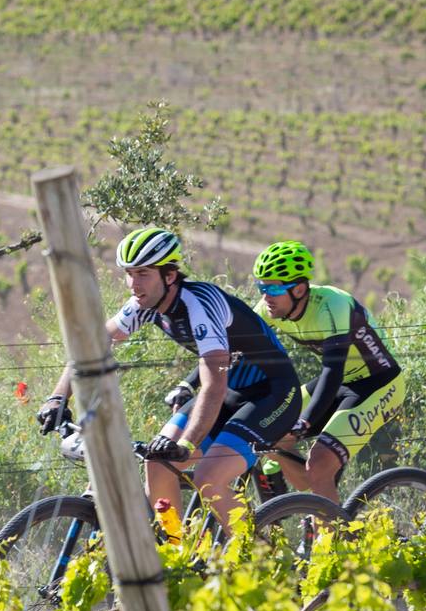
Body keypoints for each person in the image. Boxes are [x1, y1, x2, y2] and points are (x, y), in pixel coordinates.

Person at [37, 227, 302, 530]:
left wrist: (188, 444)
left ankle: (259, 557)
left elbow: (213, 384)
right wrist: (58, 397)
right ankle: (176, 552)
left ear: (170, 275)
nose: (134, 285)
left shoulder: (200, 304)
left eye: (143, 274)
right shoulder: (145, 304)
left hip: (273, 394)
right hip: (231, 391)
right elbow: (91, 348)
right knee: (156, 462)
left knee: (208, 479)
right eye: (130, 274)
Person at [249, 241, 404, 504]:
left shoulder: (331, 305)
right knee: (269, 433)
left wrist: (305, 422)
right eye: (261, 287)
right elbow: (234, 350)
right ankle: (309, 510)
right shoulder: (270, 309)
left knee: (319, 464)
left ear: (299, 289)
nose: (266, 297)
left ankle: (333, 540)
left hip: (379, 384)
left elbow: (332, 371)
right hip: (341, 381)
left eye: (274, 288)